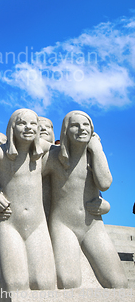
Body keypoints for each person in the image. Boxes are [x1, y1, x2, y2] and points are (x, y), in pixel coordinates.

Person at [43, 110, 128, 289]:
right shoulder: (53, 157)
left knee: (118, 282)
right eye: (75, 125)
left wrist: (97, 149)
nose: (82, 129)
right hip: (63, 226)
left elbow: (104, 183)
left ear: (92, 130)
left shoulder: (94, 155)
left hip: (92, 227)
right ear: (65, 130)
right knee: (69, 282)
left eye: (86, 125)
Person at [0, 109, 56, 294]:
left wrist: (93, 143)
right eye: (22, 123)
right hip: (9, 224)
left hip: (38, 225)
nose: (28, 127)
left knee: (45, 285)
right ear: (12, 127)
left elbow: (65, 149)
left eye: (33, 124)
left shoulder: (42, 150)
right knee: (15, 286)